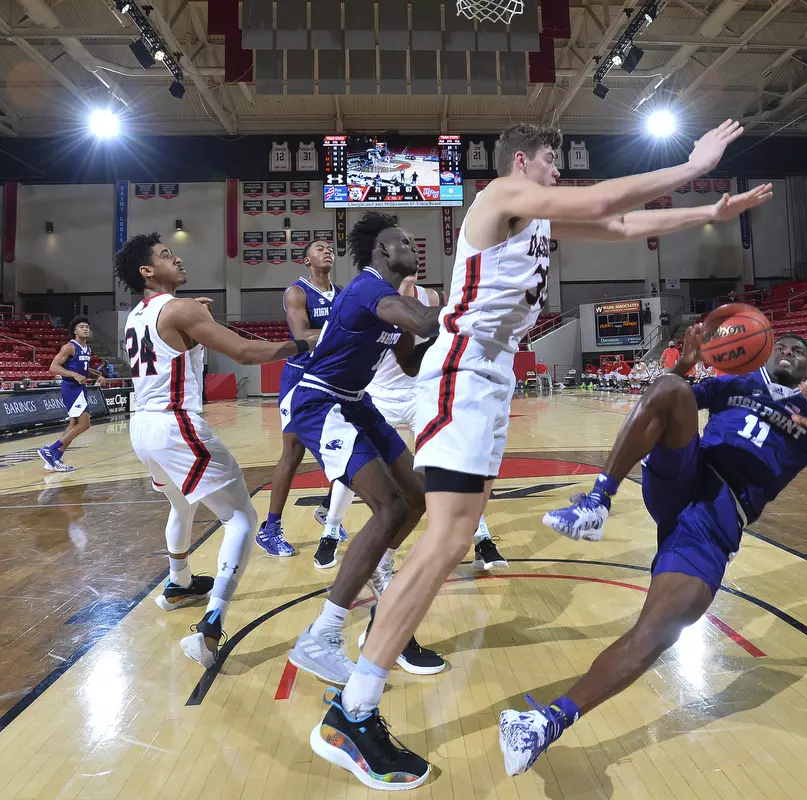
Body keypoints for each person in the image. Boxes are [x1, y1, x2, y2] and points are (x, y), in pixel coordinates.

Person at [310, 119, 773, 790]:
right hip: (466, 368)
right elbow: (601, 200)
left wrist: (709, 212)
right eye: (552, 161)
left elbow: (620, 224)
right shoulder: (500, 195)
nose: (559, 172)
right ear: (522, 161)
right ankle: (352, 712)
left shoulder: (537, 221)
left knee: (452, 538)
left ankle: (357, 700)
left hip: (489, 376)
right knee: (446, 539)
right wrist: (691, 167)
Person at [516, 325, 807, 773]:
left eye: (801, 351)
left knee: (659, 630)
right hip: (689, 471)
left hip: (718, 519)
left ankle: (547, 722)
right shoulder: (738, 383)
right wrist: (683, 365)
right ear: (767, 353)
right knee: (671, 387)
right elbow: (664, 400)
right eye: (784, 346)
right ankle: (598, 501)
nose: (791, 351)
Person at [114, 233, 311, 667]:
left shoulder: (136, 315)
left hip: (143, 428)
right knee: (242, 519)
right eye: (166, 255)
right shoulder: (181, 310)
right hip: (176, 424)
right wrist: (305, 344)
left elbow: (173, 339)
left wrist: (195, 318)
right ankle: (210, 626)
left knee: (181, 505)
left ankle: (179, 583)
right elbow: (245, 352)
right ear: (147, 271)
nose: (177, 258)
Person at [284, 213, 447, 690]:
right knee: (389, 506)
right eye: (403, 242)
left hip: (357, 402)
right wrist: (471, 296)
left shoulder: (391, 300)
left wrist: (442, 335)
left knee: (417, 497)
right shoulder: (367, 288)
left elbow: (410, 362)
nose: (412, 246)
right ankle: (321, 635)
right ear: (381, 252)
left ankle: (379, 567)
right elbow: (426, 319)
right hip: (320, 402)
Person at [363, 274, 508, 572]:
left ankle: (482, 539)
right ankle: (330, 530)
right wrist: (456, 314)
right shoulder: (375, 295)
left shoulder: (433, 297)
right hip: (380, 393)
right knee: (361, 467)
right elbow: (409, 355)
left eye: (413, 251)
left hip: (420, 391)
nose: (411, 255)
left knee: (452, 466)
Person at [256, 240, 345, 560]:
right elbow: (302, 337)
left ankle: (328, 509)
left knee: (348, 448)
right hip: (300, 379)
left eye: (330, 248)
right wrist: (343, 332)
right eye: (319, 248)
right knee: (293, 453)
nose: (327, 251)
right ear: (306, 260)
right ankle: (270, 529)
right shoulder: (297, 292)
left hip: (333, 378)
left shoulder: (341, 292)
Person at [40, 316, 105, 472]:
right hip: (71, 388)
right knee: (85, 424)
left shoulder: (87, 349)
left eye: (87, 327)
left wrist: (97, 375)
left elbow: (84, 370)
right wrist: (73, 375)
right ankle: (50, 450)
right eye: (82, 327)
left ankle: (55, 459)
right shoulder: (69, 347)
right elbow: (53, 367)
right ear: (75, 331)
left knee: (74, 424)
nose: (85, 329)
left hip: (80, 388)